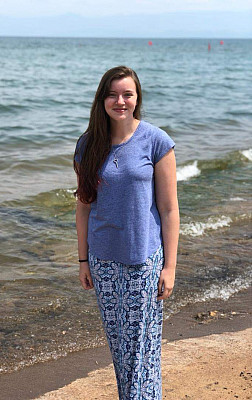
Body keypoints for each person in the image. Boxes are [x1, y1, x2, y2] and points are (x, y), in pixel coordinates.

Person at [73, 66, 179, 400]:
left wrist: (170, 267)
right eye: (112, 94)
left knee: (140, 349)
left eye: (127, 94)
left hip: (142, 261)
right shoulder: (88, 144)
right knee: (122, 349)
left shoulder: (156, 141)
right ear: (102, 98)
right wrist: (82, 260)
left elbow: (169, 209)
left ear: (137, 98)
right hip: (103, 262)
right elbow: (84, 206)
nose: (120, 101)